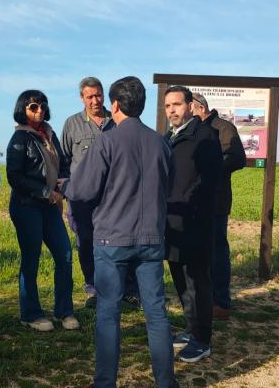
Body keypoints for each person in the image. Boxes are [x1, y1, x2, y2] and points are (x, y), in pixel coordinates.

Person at [61, 76, 177, 388]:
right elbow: (170, 187)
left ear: (114, 105)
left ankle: (105, 382)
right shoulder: (161, 143)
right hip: (151, 238)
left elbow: (83, 190)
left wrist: (66, 185)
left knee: (108, 314)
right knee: (157, 314)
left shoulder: (107, 141)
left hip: (112, 239)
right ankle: (166, 382)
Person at [60, 77, 140, 310]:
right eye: (89, 97)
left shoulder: (117, 120)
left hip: (114, 198)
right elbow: (64, 160)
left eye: (98, 95)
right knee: (86, 244)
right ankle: (94, 289)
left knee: (123, 242)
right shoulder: (72, 124)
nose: (95, 101)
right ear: (81, 98)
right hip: (83, 200)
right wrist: (67, 191)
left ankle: (129, 291)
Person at [6, 90, 78, 332]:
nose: (40, 111)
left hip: (50, 207)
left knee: (64, 254)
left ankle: (64, 311)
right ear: (23, 109)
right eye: (33, 107)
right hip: (27, 207)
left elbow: (63, 164)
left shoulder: (49, 133)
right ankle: (31, 314)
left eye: (43, 106)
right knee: (31, 258)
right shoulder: (19, 138)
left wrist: (62, 186)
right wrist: (46, 192)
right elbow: (14, 177)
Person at [163, 85, 222, 363]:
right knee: (180, 279)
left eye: (176, 104)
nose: (172, 110)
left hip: (195, 222)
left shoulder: (205, 136)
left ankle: (202, 339)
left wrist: (189, 207)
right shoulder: (168, 138)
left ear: (190, 106)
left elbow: (208, 181)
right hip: (171, 222)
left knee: (197, 282)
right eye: (167, 106)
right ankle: (191, 328)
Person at [191, 92, 246, 320]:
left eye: (189, 108)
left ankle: (220, 302)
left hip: (215, 200)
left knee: (216, 251)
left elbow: (237, 158)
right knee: (197, 252)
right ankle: (201, 298)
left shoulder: (223, 128)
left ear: (201, 107)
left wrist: (208, 168)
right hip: (193, 201)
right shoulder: (192, 129)